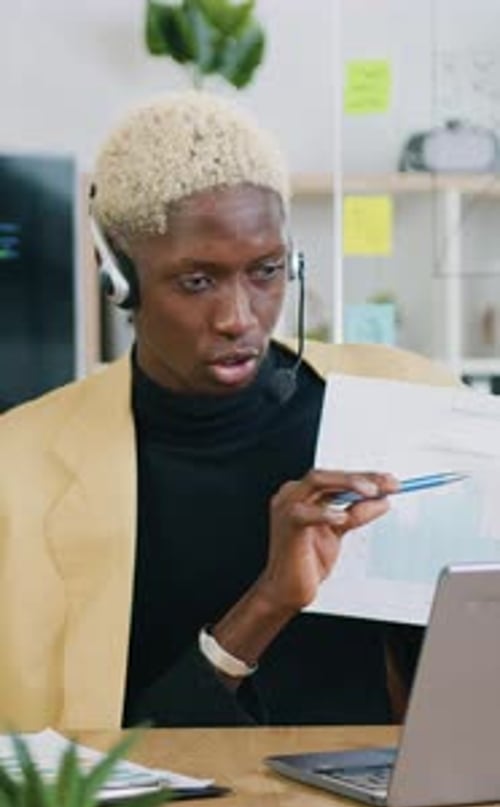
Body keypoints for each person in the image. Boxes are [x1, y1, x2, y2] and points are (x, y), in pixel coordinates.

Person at [0, 92, 456, 731]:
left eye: (266, 271)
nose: (239, 318)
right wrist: (268, 602)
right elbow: (90, 774)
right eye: (197, 281)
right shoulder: (17, 468)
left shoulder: (408, 402)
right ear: (118, 279)